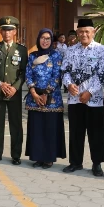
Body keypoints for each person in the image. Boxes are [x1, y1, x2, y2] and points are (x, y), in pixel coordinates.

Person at [61, 18, 104, 176]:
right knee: (75, 131)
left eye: (87, 31)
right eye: (80, 32)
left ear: (93, 32)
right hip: (75, 98)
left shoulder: (101, 50)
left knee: (96, 132)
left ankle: (97, 164)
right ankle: (75, 162)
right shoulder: (70, 50)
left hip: (94, 99)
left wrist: (90, 92)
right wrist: (68, 84)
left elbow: (103, 74)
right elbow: (65, 71)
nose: (84, 34)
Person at [0, 16, 28, 165]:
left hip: (13, 95)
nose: (7, 33)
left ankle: (16, 155)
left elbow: (24, 72)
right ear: (1, 31)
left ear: (14, 32)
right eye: (4, 30)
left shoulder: (21, 50)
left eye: (10, 30)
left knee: (16, 125)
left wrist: (14, 88)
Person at [24, 28, 66, 169]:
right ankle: (38, 157)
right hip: (34, 97)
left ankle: (48, 158)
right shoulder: (32, 55)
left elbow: (57, 76)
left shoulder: (56, 56)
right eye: (43, 38)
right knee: (37, 128)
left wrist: (46, 93)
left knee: (49, 128)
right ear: (38, 39)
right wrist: (34, 93)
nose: (45, 41)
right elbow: (28, 74)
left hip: (51, 99)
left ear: (52, 41)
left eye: (48, 38)